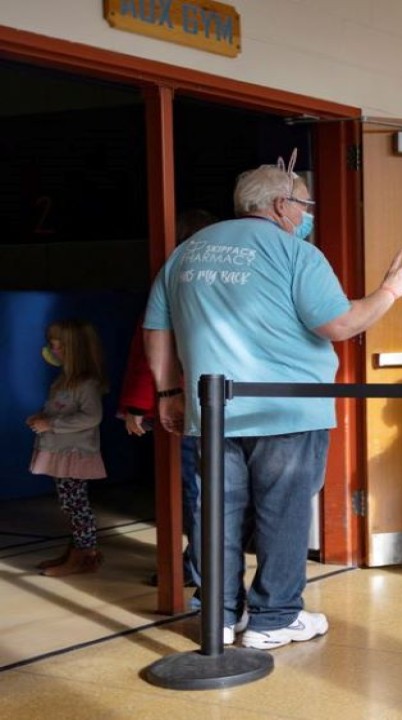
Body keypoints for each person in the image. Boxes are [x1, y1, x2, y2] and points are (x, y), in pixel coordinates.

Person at [144, 156, 402, 649]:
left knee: (216, 515)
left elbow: (157, 328)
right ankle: (275, 619)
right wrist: (389, 292)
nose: (307, 214)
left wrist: (167, 392)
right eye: (304, 204)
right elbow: (338, 325)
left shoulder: (187, 252)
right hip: (288, 411)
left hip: (212, 412)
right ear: (280, 205)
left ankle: (220, 617)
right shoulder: (297, 255)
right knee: (283, 513)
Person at [121, 208, 215, 593]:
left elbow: (151, 347)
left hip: (188, 401)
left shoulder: (175, 277)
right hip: (229, 400)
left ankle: (198, 570)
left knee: (197, 492)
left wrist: (139, 404)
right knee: (213, 491)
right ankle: (202, 566)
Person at [27, 319, 109, 577]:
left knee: (76, 505)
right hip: (61, 451)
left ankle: (85, 554)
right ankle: (77, 549)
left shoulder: (85, 383)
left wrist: (50, 424)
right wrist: (41, 416)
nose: (52, 352)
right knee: (70, 504)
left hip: (74, 454)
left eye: (56, 346)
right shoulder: (64, 380)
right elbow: (59, 408)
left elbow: (91, 417)